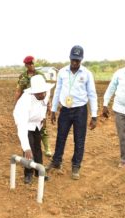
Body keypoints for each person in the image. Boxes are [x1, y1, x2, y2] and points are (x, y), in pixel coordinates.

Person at [48, 45, 98, 180]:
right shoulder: (63, 72)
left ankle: (76, 166)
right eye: (73, 59)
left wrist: (94, 115)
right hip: (65, 110)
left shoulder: (87, 73)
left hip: (80, 110)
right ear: (70, 58)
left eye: (78, 60)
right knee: (60, 137)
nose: (75, 63)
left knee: (79, 140)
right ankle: (56, 161)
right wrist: (53, 110)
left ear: (81, 59)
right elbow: (57, 91)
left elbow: (92, 94)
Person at [13, 75, 55, 184]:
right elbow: (21, 127)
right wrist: (26, 148)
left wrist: (44, 117)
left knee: (37, 147)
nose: (42, 94)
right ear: (33, 92)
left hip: (37, 124)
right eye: (39, 93)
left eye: (43, 92)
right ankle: (28, 174)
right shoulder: (24, 102)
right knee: (29, 149)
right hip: (26, 124)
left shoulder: (45, 93)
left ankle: (39, 172)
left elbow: (45, 102)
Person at [15, 56, 52, 157]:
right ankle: (27, 154)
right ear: (26, 65)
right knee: (27, 135)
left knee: (41, 129)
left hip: (39, 106)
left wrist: (48, 106)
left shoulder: (40, 75)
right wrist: (17, 104)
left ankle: (47, 147)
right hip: (28, 106)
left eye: (32, 63)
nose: (31, 65)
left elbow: (46, 94)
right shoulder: (22, 76)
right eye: (29, 64)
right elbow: (18, 91)